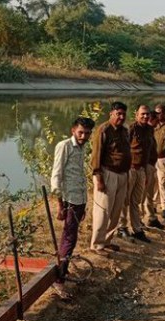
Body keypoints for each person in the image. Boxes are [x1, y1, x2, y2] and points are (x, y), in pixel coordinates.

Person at [50, 117, 95, 299]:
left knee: (71, 237)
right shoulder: (65, 146)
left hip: (79, 199)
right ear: (73, 131)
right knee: (68, 238)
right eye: (80, 132)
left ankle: (64, 269)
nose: (84, 136)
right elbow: (56, 174)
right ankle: (58, 281)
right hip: (69, 200)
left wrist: (84, 203)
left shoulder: (82, 147)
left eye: (87, 133)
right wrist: (60, 204)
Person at [89, 101, 131, 254]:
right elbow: (96, 156)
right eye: (118, 114)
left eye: (123, 114)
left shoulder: (125, 131)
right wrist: (99, 178)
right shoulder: (103, 130)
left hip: (122, 175)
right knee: (103, 211)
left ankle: (106, 241)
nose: (121, 117)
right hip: (107, 174)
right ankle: (97, 244)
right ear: (111, 114)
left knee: (115, 211)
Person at [119, 105, 154, 243]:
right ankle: (122, 228)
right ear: (136, 115)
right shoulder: (131, 129)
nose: (145, 117)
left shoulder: (150, 129)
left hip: (141, 169)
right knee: (125, 200)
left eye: (147, 114)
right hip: (130, 169)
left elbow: (147, 151)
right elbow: (123, 149)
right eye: (142, 114)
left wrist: (145, 171)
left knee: (136, 201)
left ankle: (137, 229)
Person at [140, 109, 164, 229]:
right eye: (156, 121)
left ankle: (151, 217)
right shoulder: (144, 132)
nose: (158, 124)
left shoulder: (150, 132)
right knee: (142, 196)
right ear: (151, 120)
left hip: (151, 167)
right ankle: (139, 220)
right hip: (145, 167)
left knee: (149, 195)